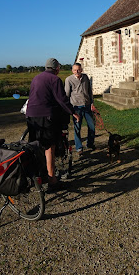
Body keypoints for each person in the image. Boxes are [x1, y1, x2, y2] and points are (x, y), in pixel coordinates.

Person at [26, 58, 79, 189]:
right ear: (56, 68)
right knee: (50, 147)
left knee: (36, 145)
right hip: (45, 116)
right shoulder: (55, 79)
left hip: (31, 115)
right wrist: (73, 112)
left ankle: (37, 175)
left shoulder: (36, 78)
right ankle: (52, 180)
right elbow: (62, 99)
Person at [64, 63, 96, 154]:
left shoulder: (85, 77)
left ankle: (90, 144)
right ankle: (79, 148)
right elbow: (67, 94)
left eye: (78, 69)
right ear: (72, 71)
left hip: (87, 106)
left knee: (92, 126)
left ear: (81, 69)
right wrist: (69, 108)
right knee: (77, 128)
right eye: (74, 70)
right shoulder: (69, 80)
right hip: (76, 107)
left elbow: (90, 91)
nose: (77, 71)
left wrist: (92, 103)